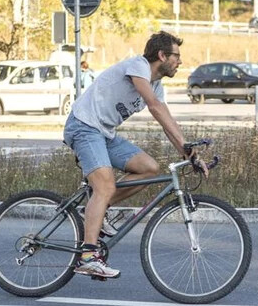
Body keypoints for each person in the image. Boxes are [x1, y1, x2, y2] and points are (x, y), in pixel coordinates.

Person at [63, 31, 206, 279]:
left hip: (104, 133)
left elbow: (166, 122)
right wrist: (187, 148)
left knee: (149, 167)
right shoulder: (137, 66)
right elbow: (154, 107)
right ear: (162, 55)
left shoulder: (157, 85)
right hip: (84, 126)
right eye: (176, 56)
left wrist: (190, 154)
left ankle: (96, 209)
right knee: (104, 186)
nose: (180, 62)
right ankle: (88, 256)